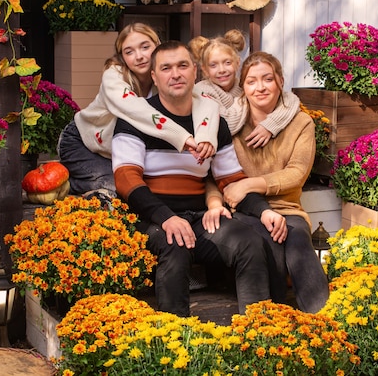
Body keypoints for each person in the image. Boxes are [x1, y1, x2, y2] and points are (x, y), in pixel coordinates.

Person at [112, 41, 287, 317]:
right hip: (152, 218)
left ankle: (258, 330)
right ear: (155, 77)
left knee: (249, 240)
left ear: (195, 72)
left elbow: (231, 180)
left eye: (183, 66)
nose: (176, 74)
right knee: (175, 245)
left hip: (200, 218)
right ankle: (175, 340)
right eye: (166, 68)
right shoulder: (135, 119)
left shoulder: (212, 121)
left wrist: (264, 211)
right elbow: (126, 179)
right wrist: (165, 216)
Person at [204, 51, 330, 313]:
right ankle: (272, 323)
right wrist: (225, 198)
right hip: (244, 210)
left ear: (280, 82)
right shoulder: (228, 123)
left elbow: (297, 173)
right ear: (243, 88)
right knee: (266, 241)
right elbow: (212, 174)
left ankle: (323, 318)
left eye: (267, 79)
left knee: (297, 241)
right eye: (251, 81)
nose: (260, 87)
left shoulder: (300, 122)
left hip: (287, 207)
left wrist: (250, 184)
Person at [58, 23, 218, 198]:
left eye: (145, 47)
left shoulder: (165, 75)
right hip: (82, 142)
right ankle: (64, 181)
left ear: (157, 45)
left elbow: (205, 101)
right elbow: (137, 110)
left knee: (144, 187)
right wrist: (182, 136)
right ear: (122, 57)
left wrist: (205, 137)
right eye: (129, 52)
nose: (139, 56)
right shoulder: (114, 76)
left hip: (117, 151)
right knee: (118, 190)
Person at [189, 29, 299, 145]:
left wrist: (270, 125)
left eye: (227, 63)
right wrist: (247, 99)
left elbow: (291, 100)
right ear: (205, 70)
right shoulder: (202, 91)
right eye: (213, 65)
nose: (221, 70)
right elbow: (226, 125)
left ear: (237, 63)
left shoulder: (244, 84)